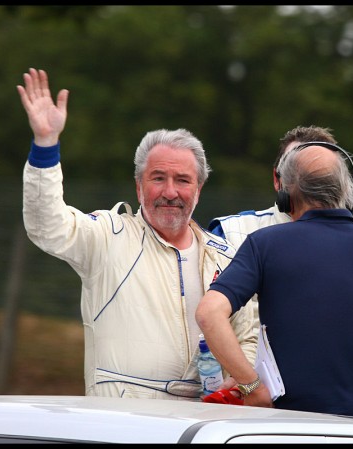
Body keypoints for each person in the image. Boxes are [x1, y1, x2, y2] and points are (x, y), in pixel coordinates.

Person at [16, 68, 256, 400]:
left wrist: (239, 385)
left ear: (198, 189)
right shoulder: (108, 237)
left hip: (206, 421)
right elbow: (47, 225)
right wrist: (46, 144)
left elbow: (249, 336)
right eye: (158, 178)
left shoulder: (226, 255)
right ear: (138, 185)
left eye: (183, 181)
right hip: (126, 423)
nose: (170, 192)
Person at [196, 142, 353, 424]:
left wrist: (251, 385)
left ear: (285, 195)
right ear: (347, 192)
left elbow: (208, 313)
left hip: (304, 425)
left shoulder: (264, 244)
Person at [208, 126, 353, 363]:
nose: (309, 183)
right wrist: (248, 381)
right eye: (297, 170)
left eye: (319, 174)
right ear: (277, 179)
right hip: (249, 390)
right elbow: (208, 319)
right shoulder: (228, 233)